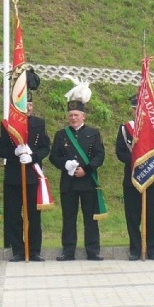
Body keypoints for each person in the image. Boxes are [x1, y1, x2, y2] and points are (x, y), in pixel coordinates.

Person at [0, 69, 51, 262]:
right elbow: (0, 148)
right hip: (13, 177)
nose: (27, 107)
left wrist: (33, 157)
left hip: (32, 177)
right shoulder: (7, 125)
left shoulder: (39, 123)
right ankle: (18, 251)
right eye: (23, 104)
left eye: (29, 104)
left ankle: (34, 250)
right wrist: (14, 152)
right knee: (13, 216)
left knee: (34, 217)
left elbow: (46, 147)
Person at [49, 79, 106, 261]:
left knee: (91, 219)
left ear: (83, 116)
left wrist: (87, 170)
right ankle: (68, 251)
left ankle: (93, 251)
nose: (73, 118)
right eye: (71, 115)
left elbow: (99, 155)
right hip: (69, 183)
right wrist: (65, 165)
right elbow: (54, 156)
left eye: (76, 115)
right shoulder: (61, 134)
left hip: (87, 182)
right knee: (69, 219)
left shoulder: (93, 133)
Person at [115, 94, 154, 261]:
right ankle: (135, 250)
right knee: (132, 216)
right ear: (132, 110)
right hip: (132, 179)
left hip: (151, 178)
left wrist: (148, 163)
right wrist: (138, 162)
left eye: (143, 109)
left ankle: (152, 249)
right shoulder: (125, 129)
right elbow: (120, 152)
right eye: (137, 109)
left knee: (152, 215)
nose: (140, 112)